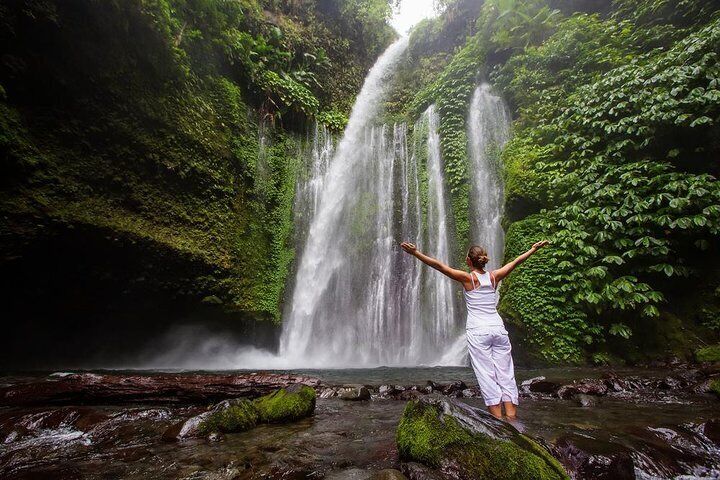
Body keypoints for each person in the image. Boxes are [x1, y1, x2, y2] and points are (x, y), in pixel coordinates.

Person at [400, 240, 549, 419]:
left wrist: (415, 253)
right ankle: (511, 418)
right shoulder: (495, 277)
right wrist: (532, 249)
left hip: (479, 332)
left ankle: (498, 421)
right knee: (506, 373)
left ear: (469, 261)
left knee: (487, 375)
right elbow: (516, 262)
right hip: (498, 330)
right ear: (483, 260)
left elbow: (439, 266)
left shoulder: (468, 278)